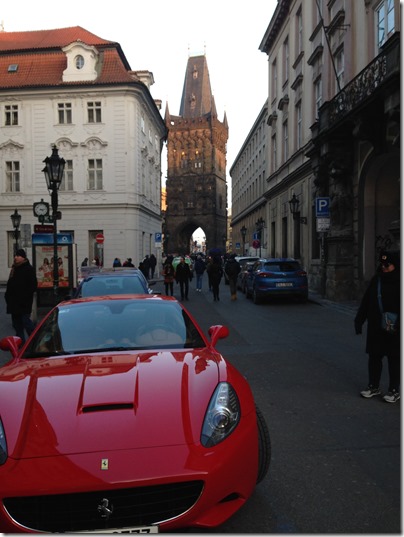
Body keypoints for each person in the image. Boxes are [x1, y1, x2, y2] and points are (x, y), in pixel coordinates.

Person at [354, 250, 400, 403]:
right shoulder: (377, 280)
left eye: (388, 265)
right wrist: (359, 320)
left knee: (394, 358)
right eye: (382, 264)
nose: (384, 267)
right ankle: (373, 385)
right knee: (374, 356)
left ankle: (394, 390)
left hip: (395, 328)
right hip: (376, 327)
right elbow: (367, 301)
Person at [5, 249, 38, 343]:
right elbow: (10, 284)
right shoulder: (14, 268)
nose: (15, 257)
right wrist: (7, 297)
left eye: (18, 256)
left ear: (23, 257)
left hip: (24, 302)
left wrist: (25, 296)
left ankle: (35, 341)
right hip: (13, 303)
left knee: (26, 323)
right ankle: (21, 344)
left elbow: (33, 286)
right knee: (17, 325)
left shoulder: (28, 269)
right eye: (15, 255)